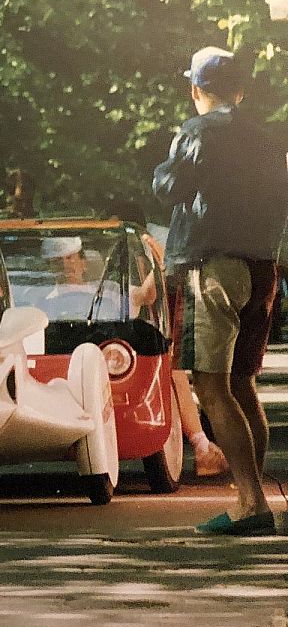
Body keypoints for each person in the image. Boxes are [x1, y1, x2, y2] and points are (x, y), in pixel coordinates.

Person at [153, 46, 288, 536]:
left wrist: (164, 171)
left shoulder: (196, 132)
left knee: (211, 386)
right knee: (243, 384)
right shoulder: (269, 139)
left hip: (212, 266)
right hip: (262, 268)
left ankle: (251, 504)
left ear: (195, 90)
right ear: (241, 91)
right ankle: (256, 496)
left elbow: (169, 189)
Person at [105, 199, 228, 478]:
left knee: (174, 371)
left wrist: (157, 269)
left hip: (148, 328)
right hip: (134, 324)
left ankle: (203, 446)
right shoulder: (118, 257)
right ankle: (203, 446)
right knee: (175, 372)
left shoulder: (144, 248)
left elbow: (147, 294)